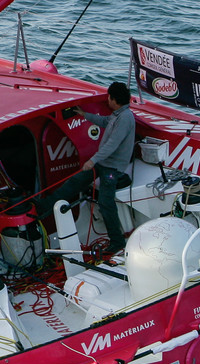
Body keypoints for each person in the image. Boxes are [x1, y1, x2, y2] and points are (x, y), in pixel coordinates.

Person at [39, 81, 136, 256]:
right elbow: (105, 121)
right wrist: (85, 115)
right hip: (104, 162)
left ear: (114, 99)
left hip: (112, 167)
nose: (107, 100)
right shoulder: (117, 114)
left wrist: (92, 161)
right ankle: (45, 206)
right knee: (76, 181)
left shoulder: (125, 118)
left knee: (106, 203)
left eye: (109, 97)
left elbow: (112, 145)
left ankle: (117, 241)